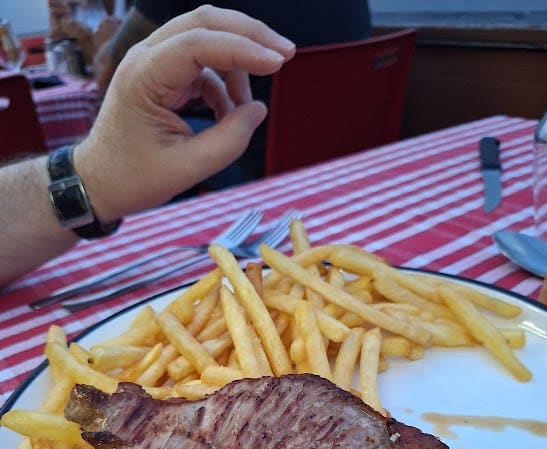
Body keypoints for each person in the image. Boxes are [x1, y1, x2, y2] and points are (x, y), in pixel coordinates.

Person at [0, 6, 295, 288]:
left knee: (190, 126)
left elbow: (106, 66)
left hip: (249, 170)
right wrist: (93, 175)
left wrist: (92, 174)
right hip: (281, 167)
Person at [94, 1, 372, 185]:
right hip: (351, 160)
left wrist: (102, 39)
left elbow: (107, 70)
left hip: (259, 170)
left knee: (162, 130)